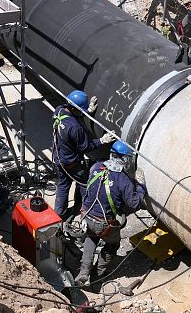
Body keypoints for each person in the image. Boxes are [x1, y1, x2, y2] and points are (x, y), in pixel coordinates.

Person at [75, 141, 147, 285]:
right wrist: (140, 187)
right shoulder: (123, 180)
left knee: (91, 237)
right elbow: (134, 203)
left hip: (87, 216)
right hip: (103, 224)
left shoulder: (96, 167)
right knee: (112, 244)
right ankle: (98, 274)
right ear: (124, 159)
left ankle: (83, 271)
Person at [52, 90, 114, 218]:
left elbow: (72, 115)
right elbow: (86, 147)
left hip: (59, 158)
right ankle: (86, 210)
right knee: (86, 184)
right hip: (72, 163)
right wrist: (102, 140)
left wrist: (87, 111)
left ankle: (59, 215)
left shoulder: (59, 110)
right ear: (77, 108)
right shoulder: (75, 128)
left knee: (63, 186)